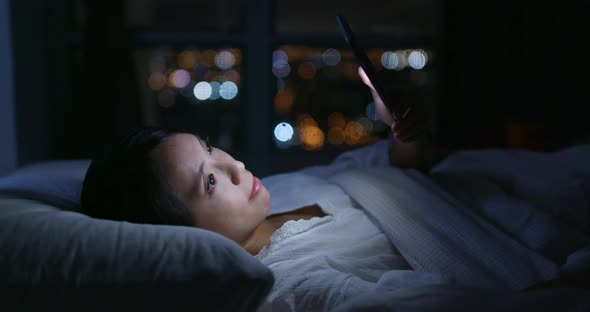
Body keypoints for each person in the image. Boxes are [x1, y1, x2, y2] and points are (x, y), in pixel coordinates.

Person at [80, 68, 590, 310]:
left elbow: (382, 165)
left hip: (501, 179)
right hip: (533, 236)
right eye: (210, 181)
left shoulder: (273, 191)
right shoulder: (294, 287)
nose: (235, 165)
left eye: (212, 149)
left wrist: (405, 137)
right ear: (180, 238)